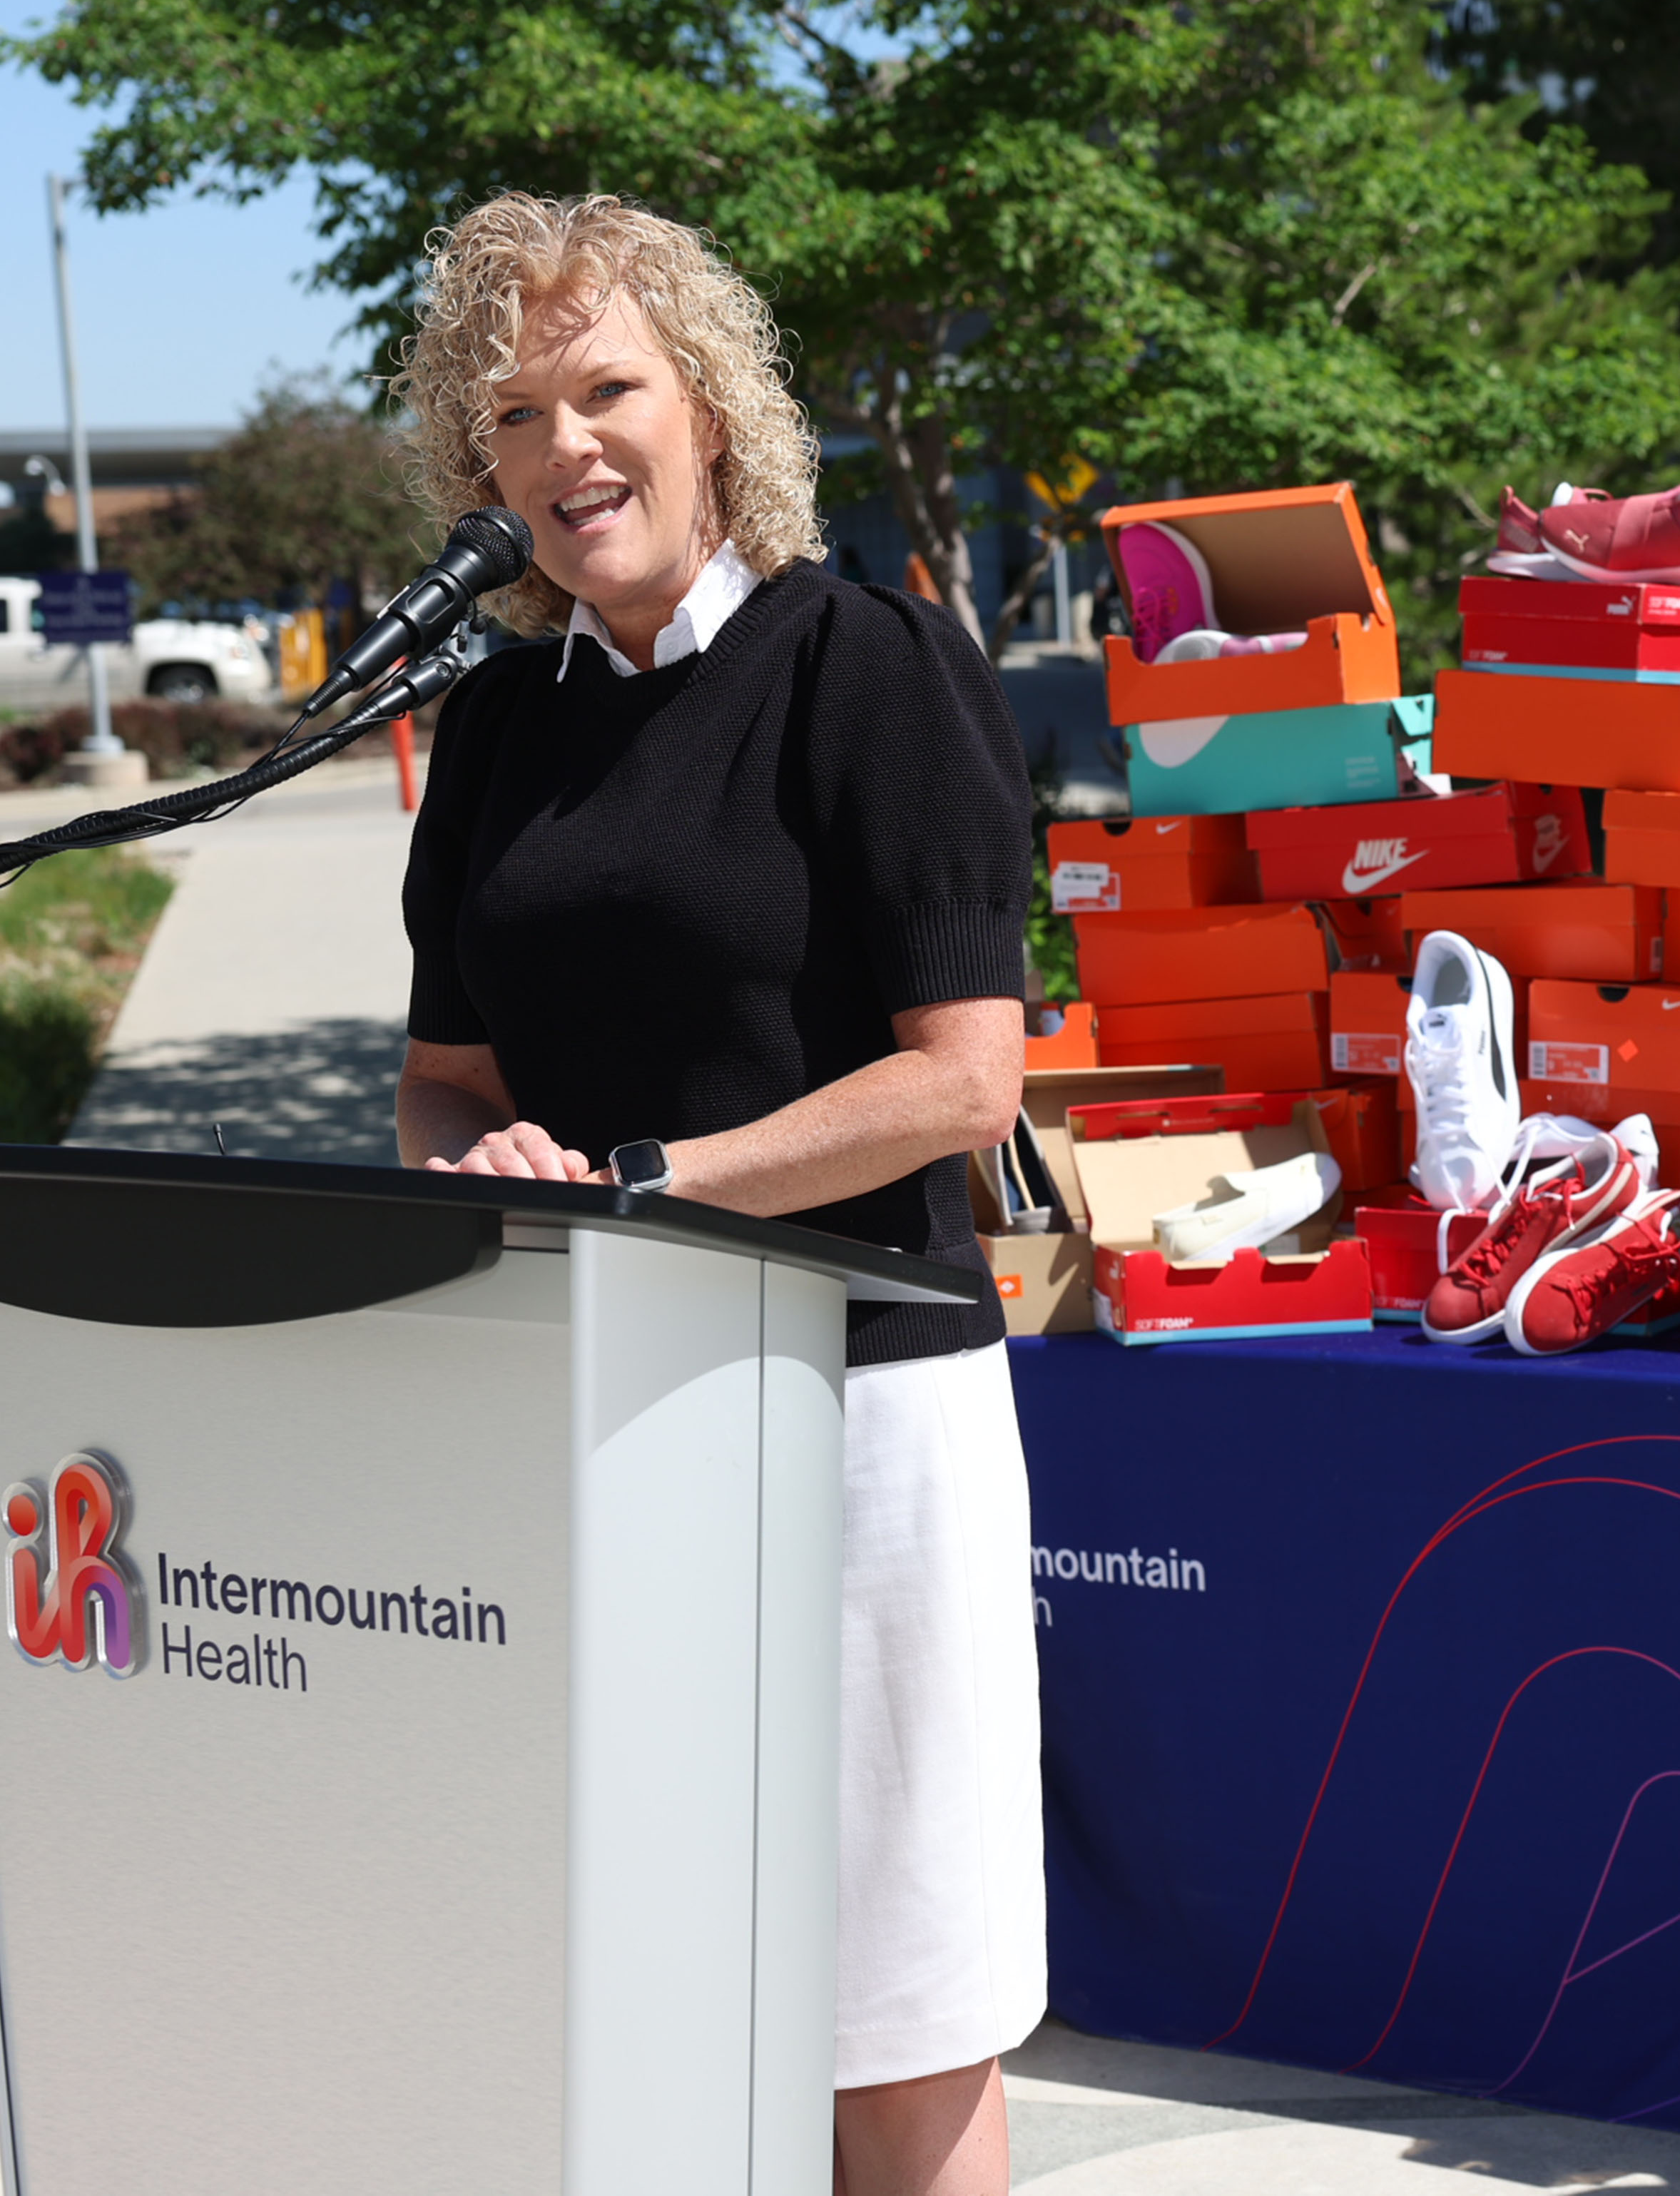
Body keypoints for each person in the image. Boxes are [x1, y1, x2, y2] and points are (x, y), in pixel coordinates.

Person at [387, 192, 1040, 2196]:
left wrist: (655, 1186)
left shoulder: (864, 665)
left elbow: (962, 1085)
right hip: (598, 1415)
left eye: (607, 389)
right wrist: (484, 1170)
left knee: (883, 2024)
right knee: (651, 2000)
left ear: (708, 411)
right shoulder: (492, 729)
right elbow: (439, 1084)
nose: (566, 447)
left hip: (855, 1411)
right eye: (514, 415)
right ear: (475, 471)